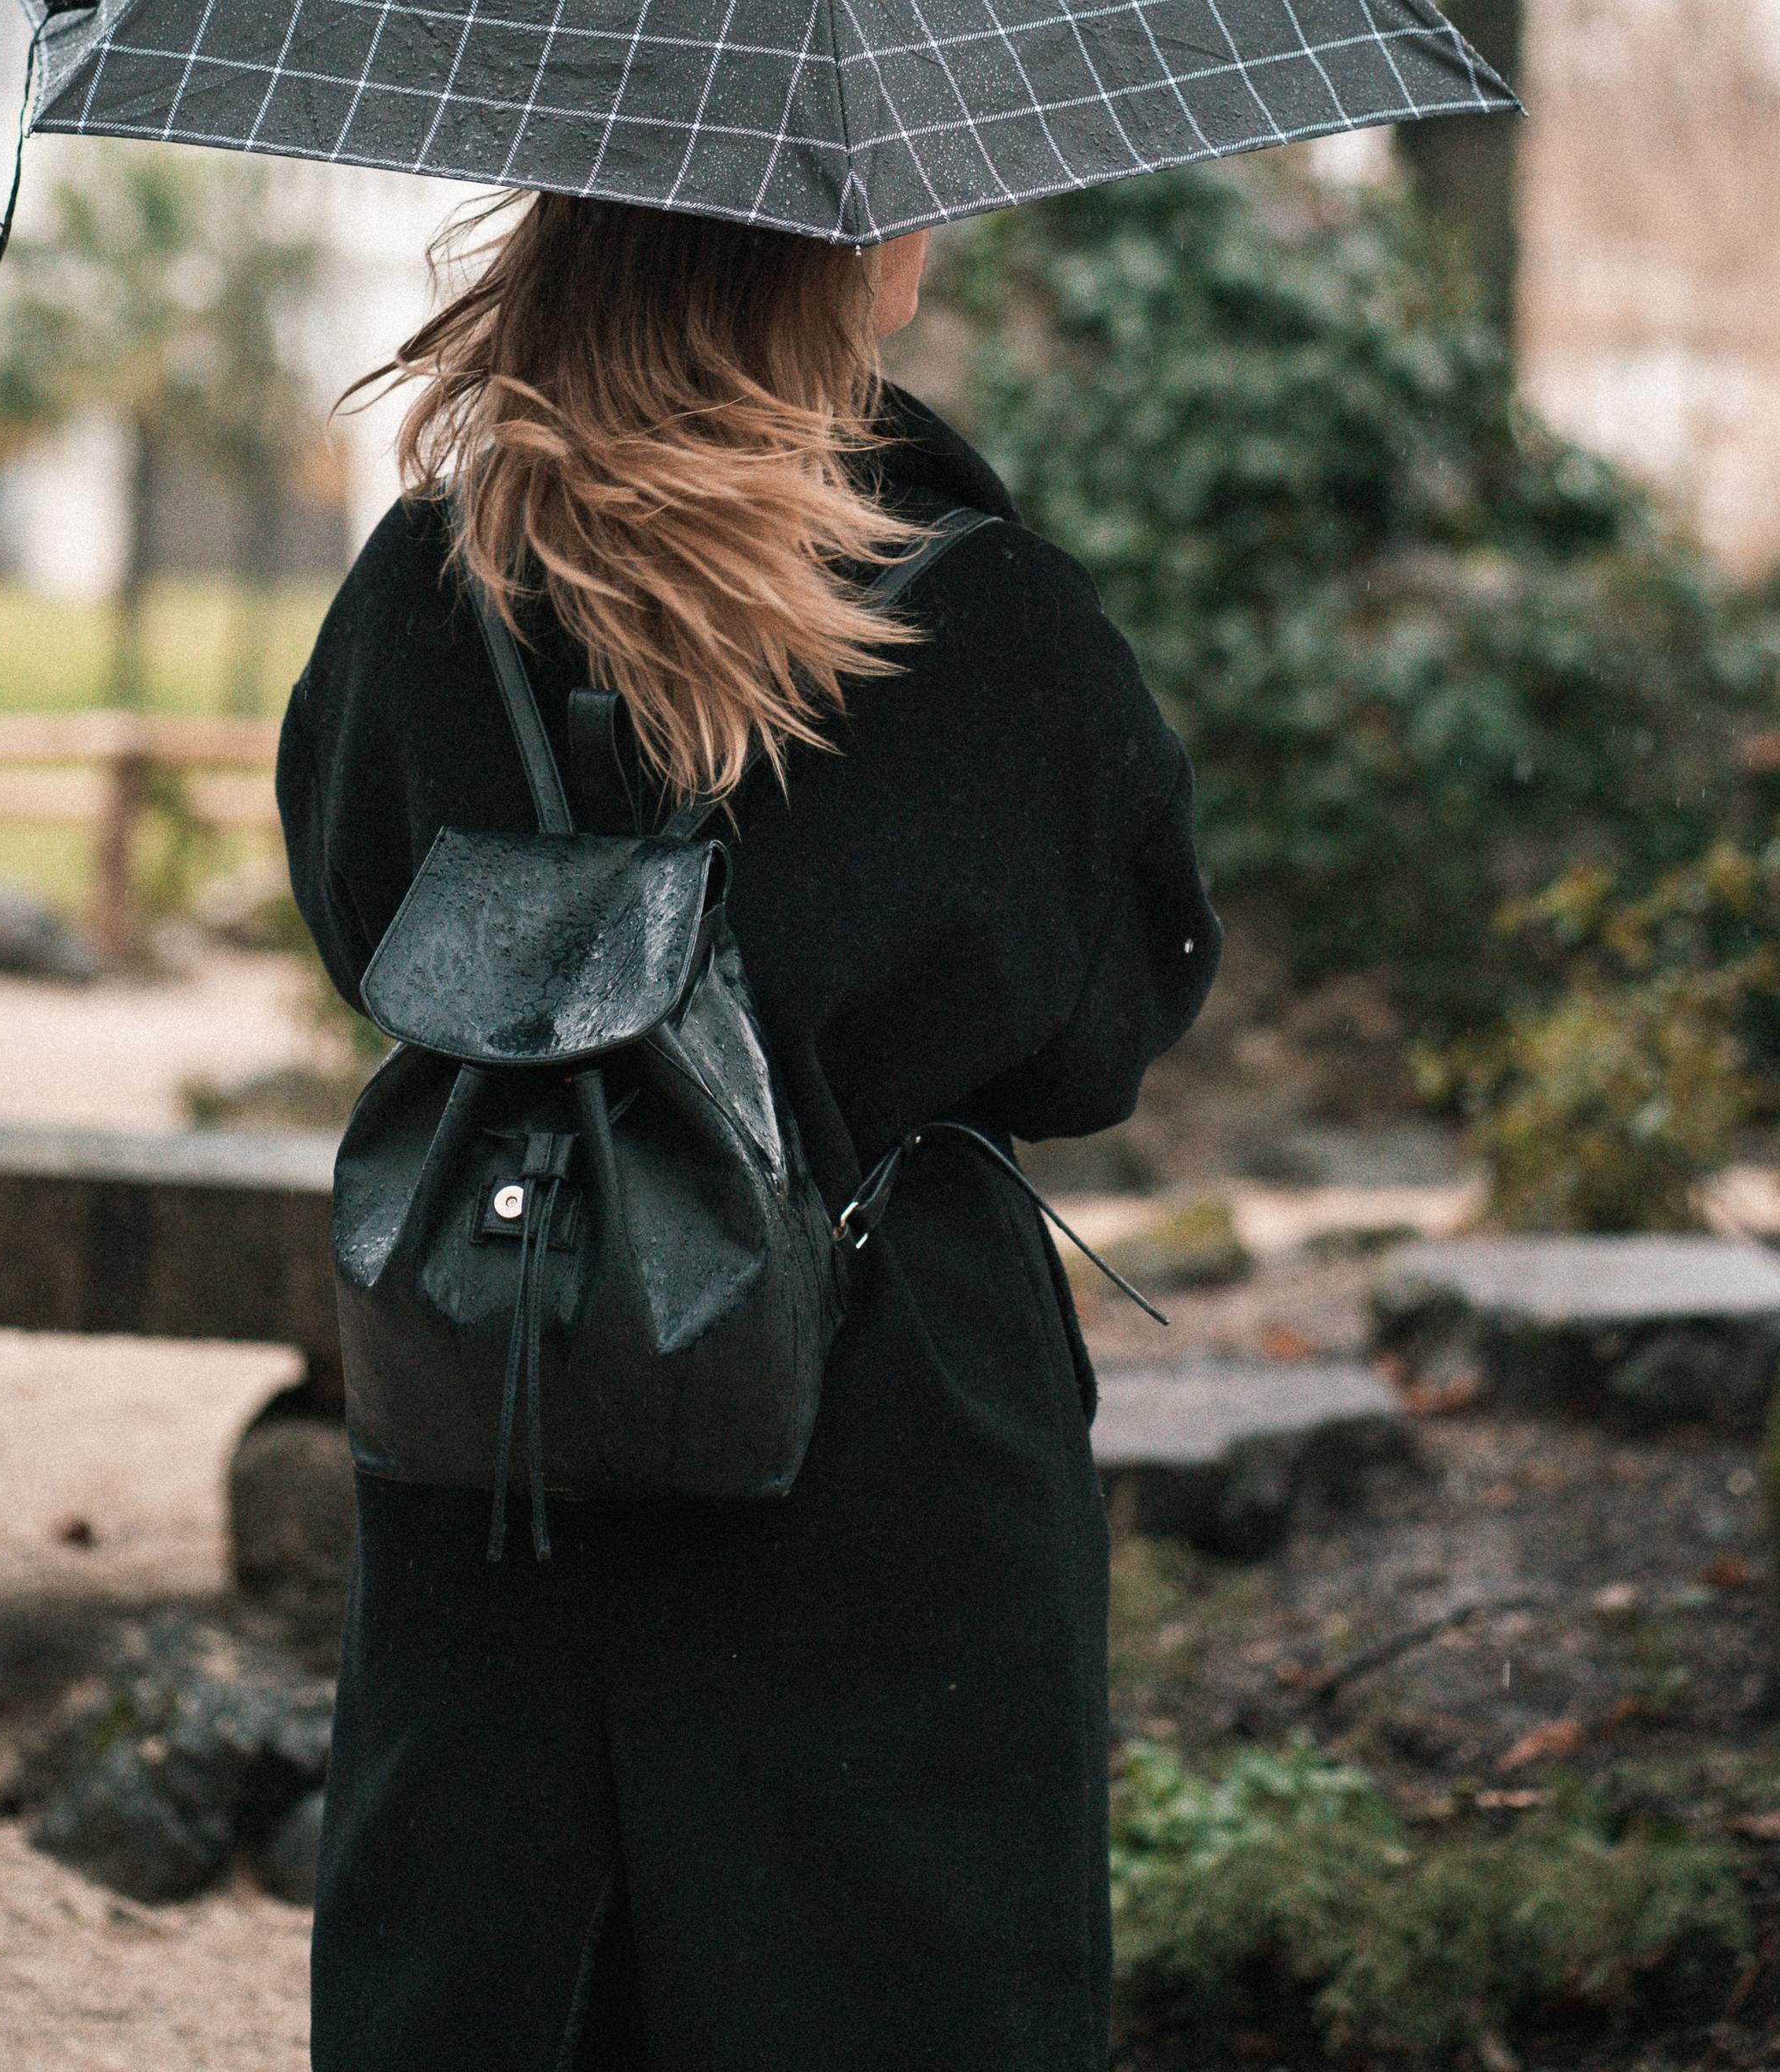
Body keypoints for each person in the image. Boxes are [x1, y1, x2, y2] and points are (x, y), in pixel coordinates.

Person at [278, 189, 1222, 2072]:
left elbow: (359, 911)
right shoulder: (981, 619)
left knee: (504, 1975)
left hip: (507, 1364)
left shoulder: (422, 588)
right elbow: (1106, 1021)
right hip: (884, 1427)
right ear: (845, 258)